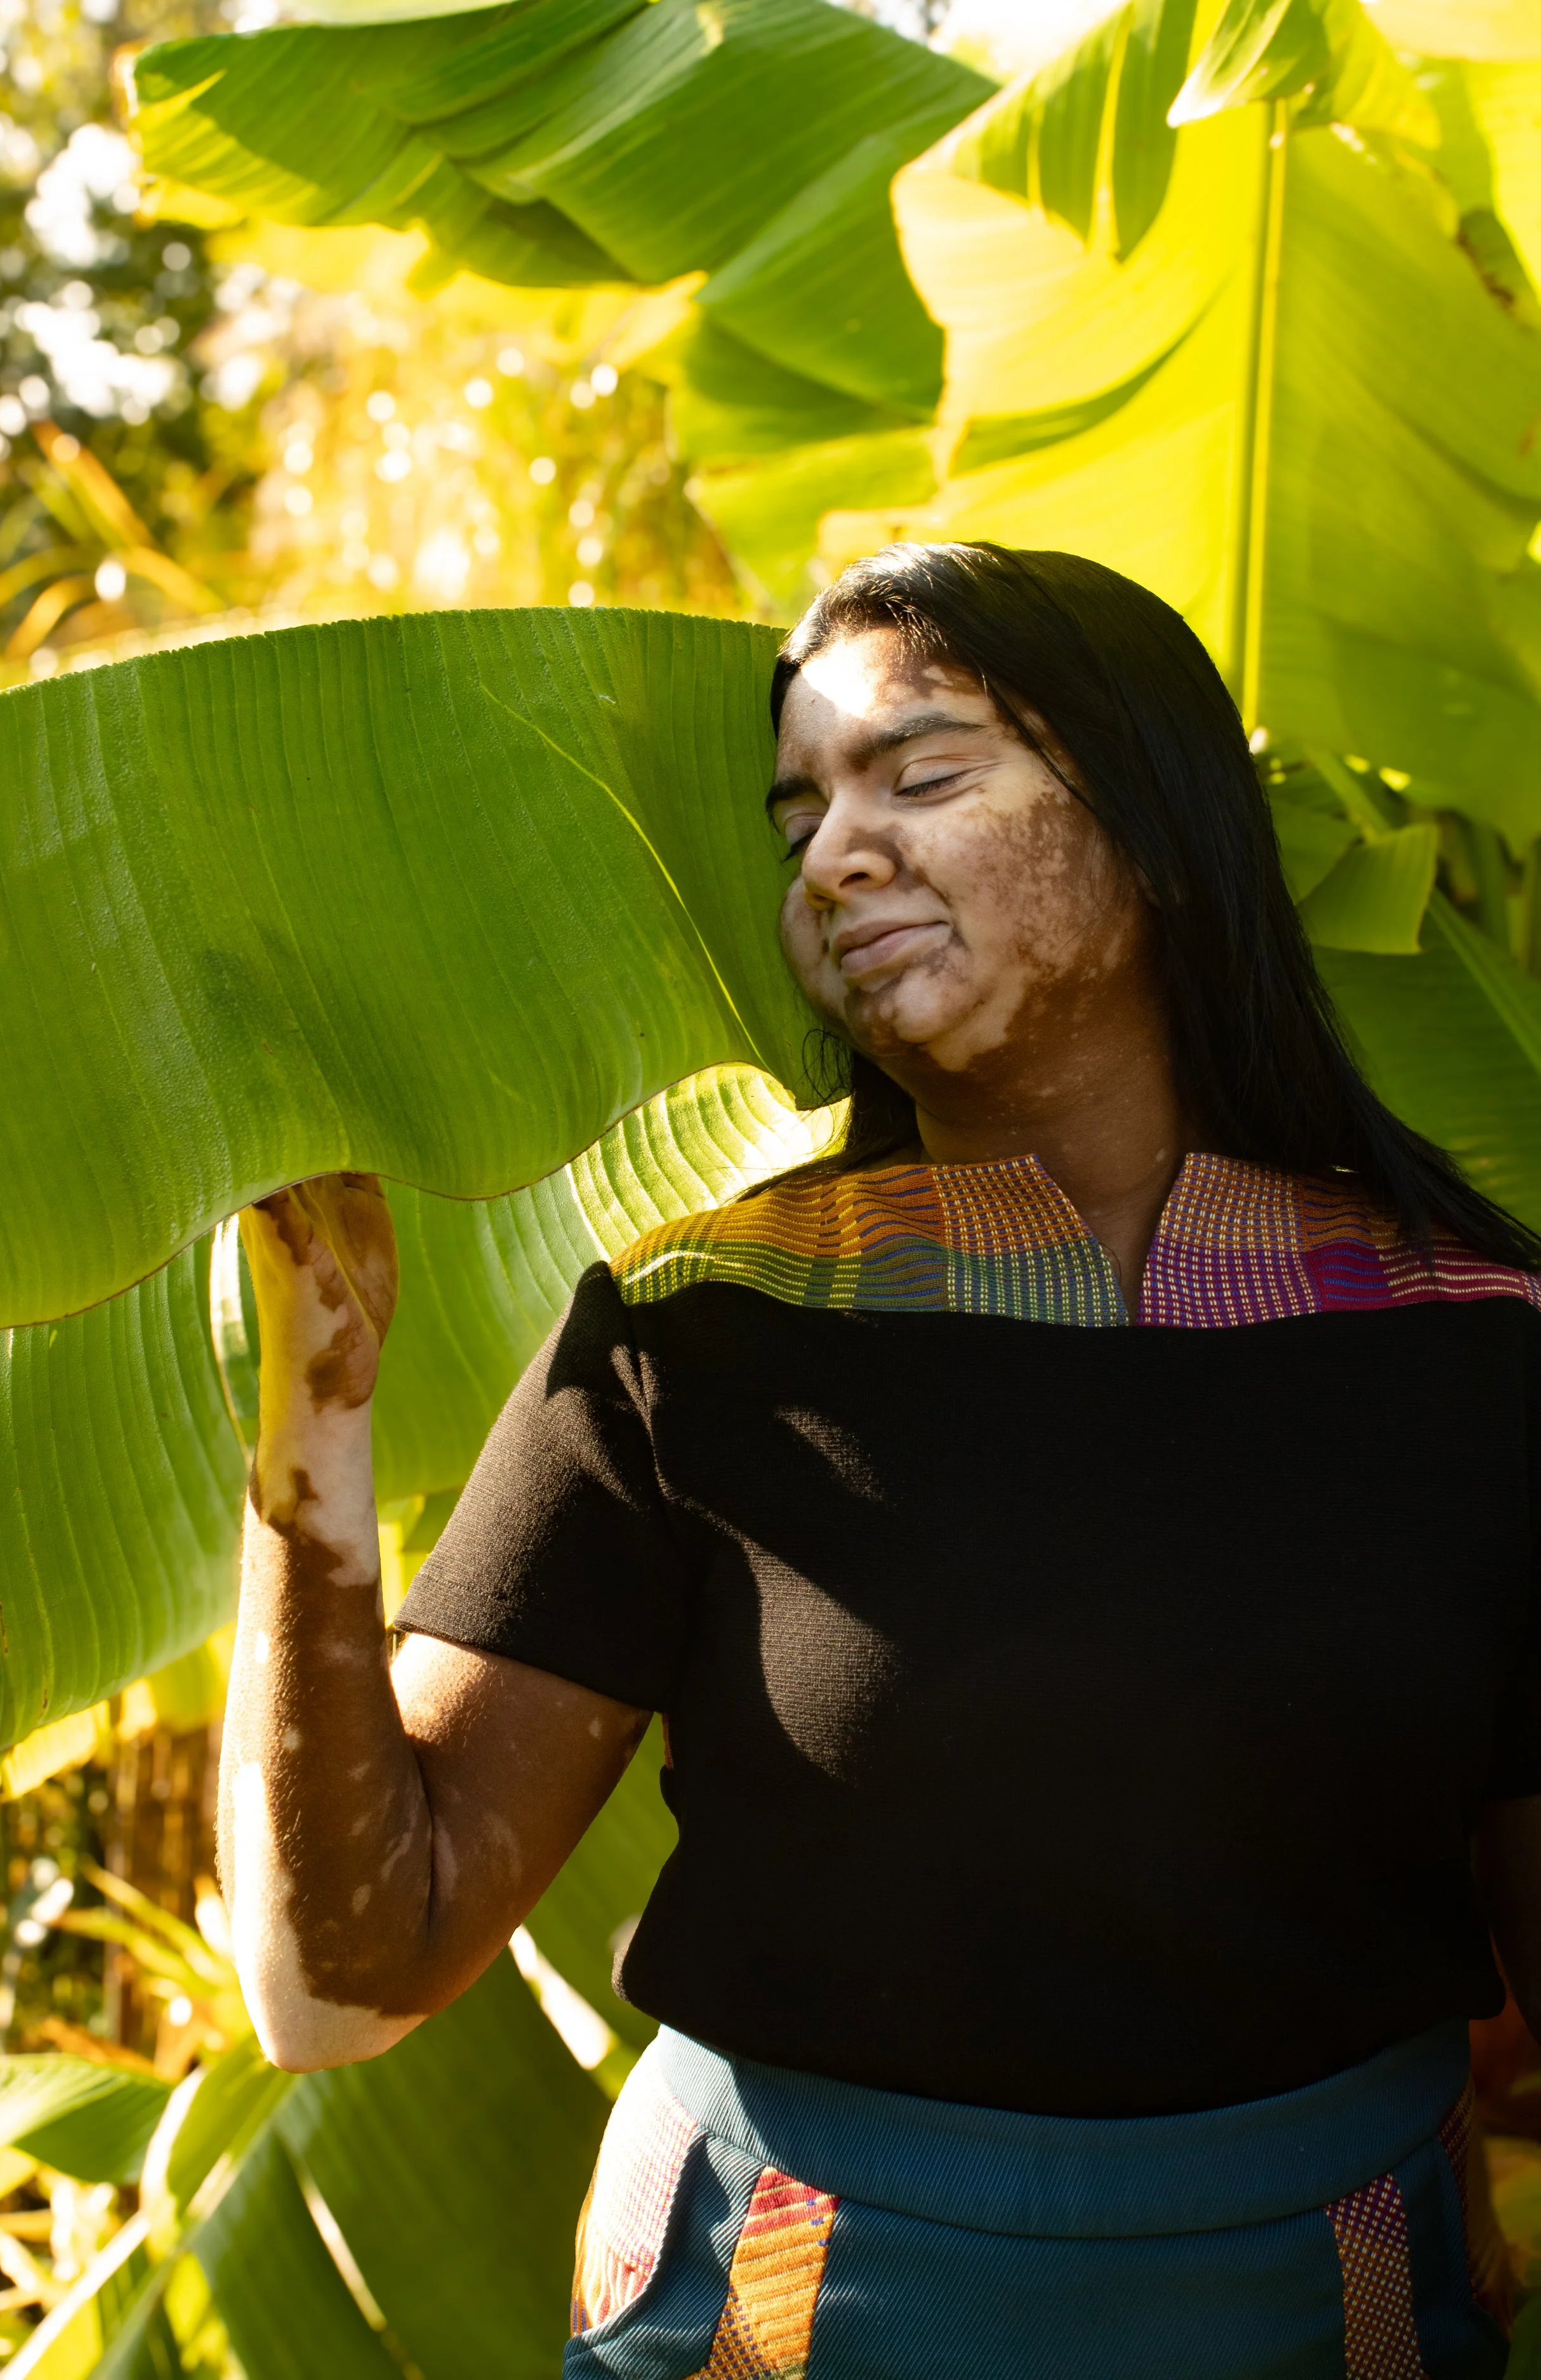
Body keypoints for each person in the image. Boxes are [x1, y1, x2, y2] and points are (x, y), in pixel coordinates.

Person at [224, 543, 1541, 2378]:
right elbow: (340, 1981)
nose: (837, 855)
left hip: (1327, 2317)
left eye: (921, 777)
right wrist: (313, 1416)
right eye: (799, 820)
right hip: (780, 2315)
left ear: (1157, 826)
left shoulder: (1477, 1343)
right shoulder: (692, 1331)